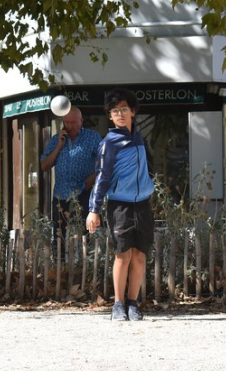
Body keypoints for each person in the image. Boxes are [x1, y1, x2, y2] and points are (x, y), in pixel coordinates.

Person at [86, 88, 154, 321]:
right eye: (115, 111)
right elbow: (101, 177)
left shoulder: (138, 138)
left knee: (140, 256)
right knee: (123, 255)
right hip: (120, 205)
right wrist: (93, 210)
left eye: (124, 109)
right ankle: (118, 304)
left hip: (143, 204)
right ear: (110, 116)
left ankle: (133, 303)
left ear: (133, 111)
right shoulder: (109, 143)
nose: (120, 114)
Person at [40, 107, 101, 255]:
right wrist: (59, 146)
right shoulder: (56, 139)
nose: (70, 126)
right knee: (59, 233)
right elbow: (44, 165)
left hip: (84, 191)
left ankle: (87, 265)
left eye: (74, 122)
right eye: (67, 122)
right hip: (61, 194)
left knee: (87, 231)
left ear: (81, 121)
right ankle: (59, 268)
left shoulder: (92, 137)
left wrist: (92, 179)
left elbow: (104, 163)